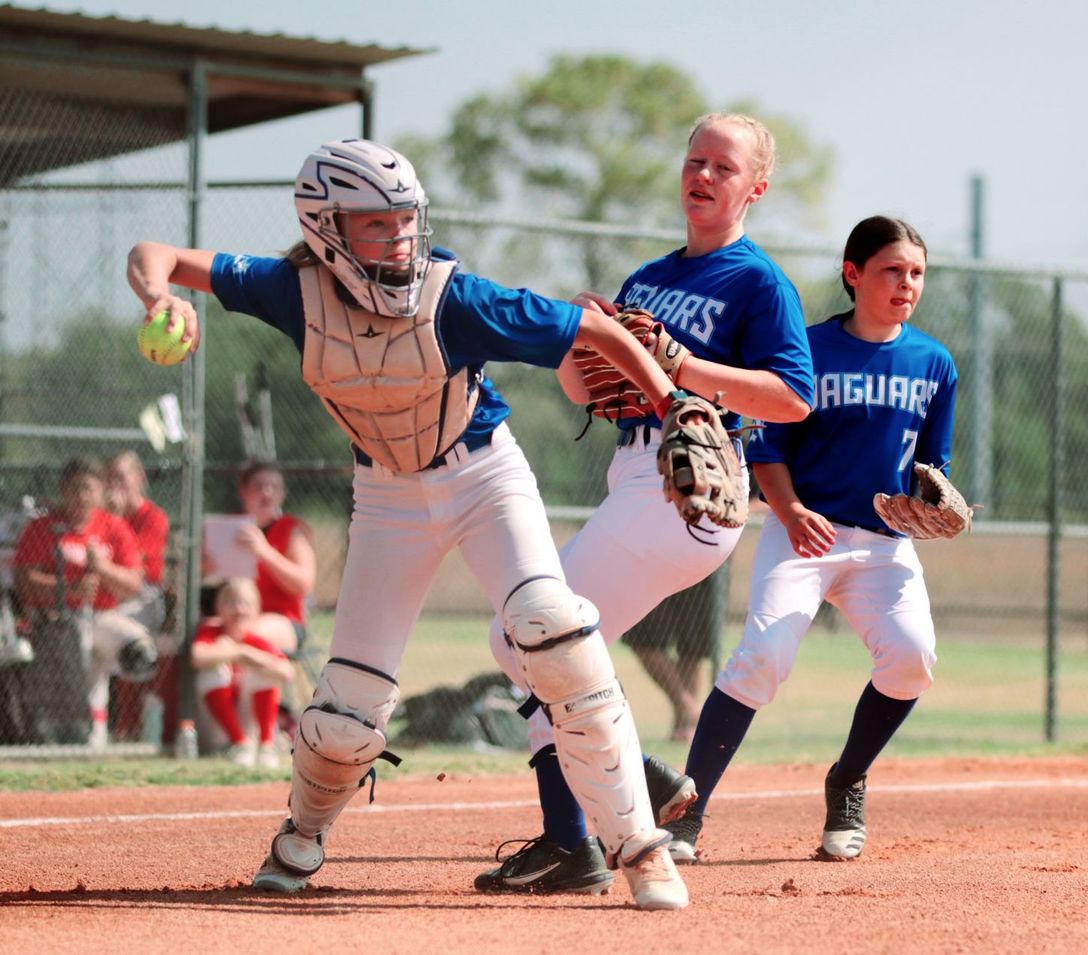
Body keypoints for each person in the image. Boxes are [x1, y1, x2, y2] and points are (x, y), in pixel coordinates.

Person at [126, 138, 693, 909]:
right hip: (386, 496)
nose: (398, 237)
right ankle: (298, 839)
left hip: (483, 474)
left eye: (405, 219)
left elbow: (596, 334)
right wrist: (159, 297)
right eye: (375, 223)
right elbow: (154, 251)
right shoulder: (291, 290)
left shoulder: (454, 297)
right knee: (346, 705)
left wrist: (673, 404)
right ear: (325, 228)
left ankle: (639, 846)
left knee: (553, 630)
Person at [477, 113, 814, 895]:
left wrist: (682, 363)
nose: (703, 174)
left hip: (689, 482)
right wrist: (581, 336)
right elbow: (589, 392)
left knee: (526, 635)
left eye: (724, 167)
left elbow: (794, 397)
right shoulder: (649, 278)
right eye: (694, 159)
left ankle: (600, 818)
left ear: (755, 188)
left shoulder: (757, 281)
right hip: (631, 475)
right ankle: (596, 822)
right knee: (530, 647)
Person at [665, 215, 957, 864]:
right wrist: (791, 510)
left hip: (883, 544)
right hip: (803, 531)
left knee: (912, 658)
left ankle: (848, 776)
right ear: (853, 274)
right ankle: (688, 812)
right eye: (891, 270)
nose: (907, 283)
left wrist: (931, 501)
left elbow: (932, 466)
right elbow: (767, 444)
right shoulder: (812, 349)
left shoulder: (934, 362)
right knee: (760, 658)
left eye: (916, 273)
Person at [11, 456, 153, 748]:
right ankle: (90, 737)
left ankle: (94, 734)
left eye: (89, 489)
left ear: (101, 492)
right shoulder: (44, 527)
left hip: (103, 616)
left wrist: (102, 569)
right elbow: (23, 579)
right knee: (82, 646)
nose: (82, 496)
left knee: (140, 651)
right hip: (56, 620)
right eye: (74, 488)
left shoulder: (113, 527)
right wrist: (69, 589)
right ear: (63, 490)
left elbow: (134, 584)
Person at [105, 450, 175, 745]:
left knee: (122, 633)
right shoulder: (102, 516)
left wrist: (115, 518)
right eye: (110, 478)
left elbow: (136, 563)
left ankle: (127, 727)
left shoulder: (152, 516)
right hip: (108, 596)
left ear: (139, 478)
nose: (115, 485)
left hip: (145, 597)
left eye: (122, 477)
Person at [192, 577, 294, 769]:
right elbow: (197, 657)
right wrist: (239, 653)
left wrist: (251, 657)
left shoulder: (255, 640)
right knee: (211, 672)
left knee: (265, 672)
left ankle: (266, 746)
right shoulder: (211, 632)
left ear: (257, 611)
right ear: (219, 608)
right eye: (232, 603)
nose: (239, 610)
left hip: (251, 731)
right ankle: (238, 743)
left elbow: (287, 672)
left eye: (246, 604)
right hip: (217, 733)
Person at [622, 563, 730, 743]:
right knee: (641, 639)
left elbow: (693, 648)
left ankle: (686, 724)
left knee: (693, 644)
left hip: (704, 551)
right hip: (651, 557)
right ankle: (689, 708)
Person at [229, 461, 315, 655]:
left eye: (274, 487)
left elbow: (304, 584)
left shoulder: (292, 530)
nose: (266, 492)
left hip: (282, 619)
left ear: (283, 494)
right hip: (233, 614)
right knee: (204, 635)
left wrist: (264, 552)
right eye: (258, 486)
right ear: (243, 491)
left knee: (245, 634)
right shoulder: (230, 527)